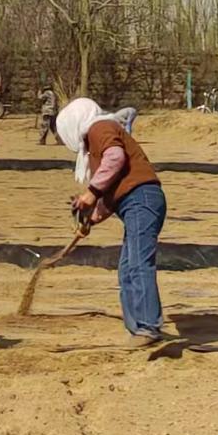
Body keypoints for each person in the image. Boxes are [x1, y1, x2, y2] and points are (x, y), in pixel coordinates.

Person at [58, 97, 169, 347]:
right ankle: (137, 329)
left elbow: (115, 159)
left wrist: (90, 193)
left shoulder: (100, 128)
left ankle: (148, 328)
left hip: (141, 200)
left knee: (138, 264)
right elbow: (112, 192)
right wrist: (92, 218)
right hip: (136, 202)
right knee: (127, 269)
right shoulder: (98, 137)